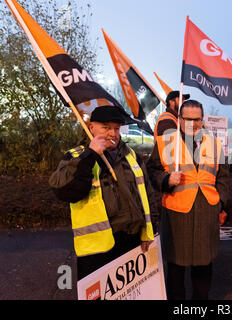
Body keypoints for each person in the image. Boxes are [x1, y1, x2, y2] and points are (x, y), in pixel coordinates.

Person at [49, 106, 159, 280]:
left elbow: (147, 194)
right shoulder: (76, 156)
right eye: (106, 127)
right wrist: (90, 155)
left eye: (116, 128)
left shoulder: (132, 156)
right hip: (97, 249)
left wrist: (150, 231)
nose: (112, 133)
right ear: (91, 127)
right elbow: (66, 193)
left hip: (132, 240)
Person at [147, 99, 230, 300]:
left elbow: (225, 176)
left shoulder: (215, 143)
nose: (193, 124)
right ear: (180, 119)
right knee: (176, 269)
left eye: (198, 119)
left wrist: (221, 203)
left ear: (203, 119)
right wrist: (166, 179)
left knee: (203, 269)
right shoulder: (167, 141)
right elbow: (152, 169)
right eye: (188, 119)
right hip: (177, 213)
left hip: (207, 212)